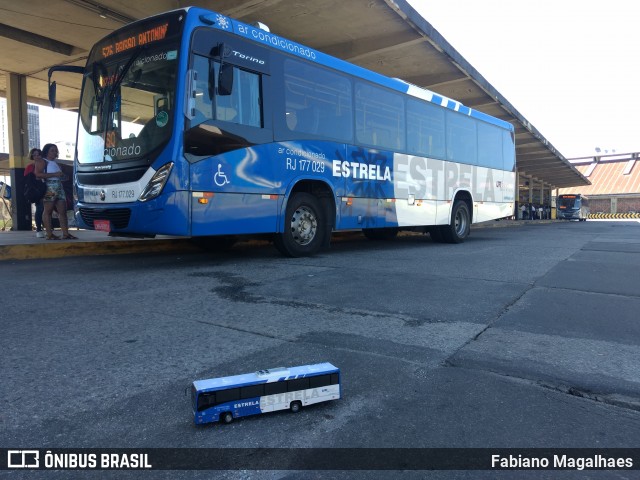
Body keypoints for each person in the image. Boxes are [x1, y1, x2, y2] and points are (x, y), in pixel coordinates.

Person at [35, 143, 77, 240]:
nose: (55, 152)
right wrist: (55, 174)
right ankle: (49, 234)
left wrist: (62, 176)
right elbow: (38, 174)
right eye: (52, 150)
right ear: (47, 151)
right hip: (50, 187)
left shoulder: (56, 163)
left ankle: (66, 233)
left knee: (62, 211)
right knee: (48, 211)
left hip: (59, 187)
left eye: (55, 150)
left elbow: (58, 175)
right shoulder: (42, 161)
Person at [24, 148, 45, 237]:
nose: (36, 156)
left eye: (38, 154)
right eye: (34, 155)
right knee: (40, 209)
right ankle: (39, 229)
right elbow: (26, 180)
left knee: (47, 209)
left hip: (48, 189)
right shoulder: (30, 167)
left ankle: (47, 227)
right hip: (37, 191)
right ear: (32, 156)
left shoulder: (45, 164)